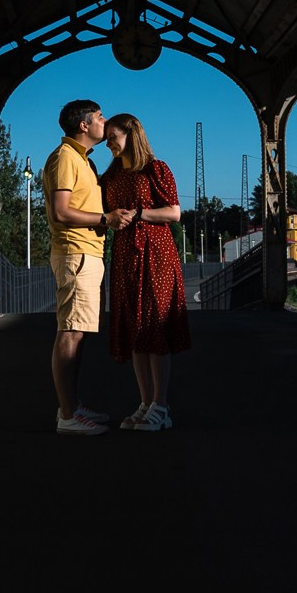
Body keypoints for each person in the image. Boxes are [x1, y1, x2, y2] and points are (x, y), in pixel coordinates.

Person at [42, 99, 135, 435]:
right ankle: (67, 416)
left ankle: (72, 406)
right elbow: (61, 211)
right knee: (70, 332)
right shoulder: (66, 158)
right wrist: (104, 219)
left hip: (86, 253)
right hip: (76, 254)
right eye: (99, 117)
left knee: (78, 333)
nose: (104, 120)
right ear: (83, 125)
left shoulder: (80, 160)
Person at [99, 113, 191, 432]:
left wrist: (139, 213)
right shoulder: (109, 176)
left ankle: (161, 406)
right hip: (125, 254)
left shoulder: (156, 168)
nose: (108, 143)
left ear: (131, 133)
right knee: (135, 331)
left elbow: (175, 212)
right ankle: (145, 402)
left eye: (113, 136)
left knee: (153, 327)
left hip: (155, 253)